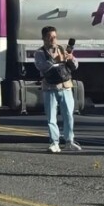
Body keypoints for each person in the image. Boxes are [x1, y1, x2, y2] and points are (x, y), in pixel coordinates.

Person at [34, 26, 81, 154]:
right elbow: (42, 67)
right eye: (50, 37)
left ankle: (69, 141)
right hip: (50, 88)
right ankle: (54, 142)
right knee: (51, 117)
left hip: (66, 86)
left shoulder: (61, 49)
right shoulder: (39, 53)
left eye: (54, 37)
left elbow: (75, 66)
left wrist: (70, 58)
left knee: (68, 115)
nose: (53, 40)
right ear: (44, 38)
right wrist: (56, 61)